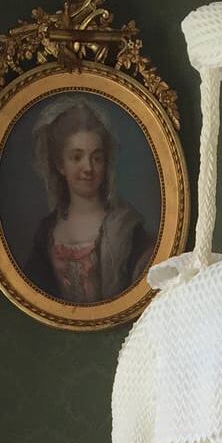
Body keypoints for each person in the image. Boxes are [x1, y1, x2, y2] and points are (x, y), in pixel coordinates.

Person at [22, 98, 155, 303]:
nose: (88, 168)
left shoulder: (127, 227)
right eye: (76, 157)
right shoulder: (46, 232)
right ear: (60, 164)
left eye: (97, 158)